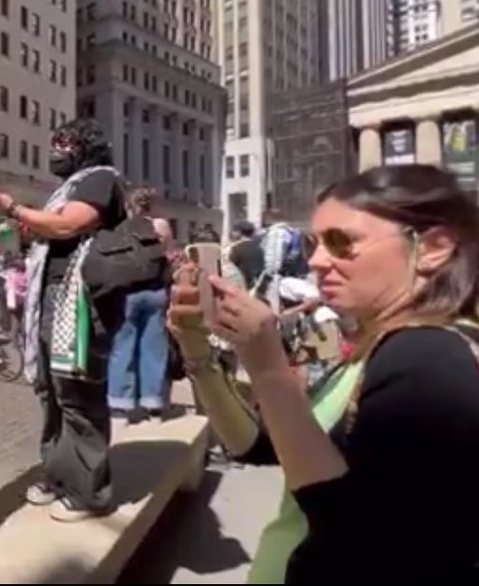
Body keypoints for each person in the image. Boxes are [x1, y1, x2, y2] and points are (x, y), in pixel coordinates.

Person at [168, 164, 479, 582]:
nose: (316, 261)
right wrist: (197, 351)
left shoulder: (427, 357)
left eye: (340, 243)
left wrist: (266, 363)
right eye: (314, 244)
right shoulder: (381, 343)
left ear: (434, 247)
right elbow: (259, 446)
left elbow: (355, 535)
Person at [0, 119, 126, 522]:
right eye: (54, 142)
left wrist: (12, 206)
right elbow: (50, 232)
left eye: (64, 143)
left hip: (78, 301)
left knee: (77, 392)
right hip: (52, 297)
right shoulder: (66, 189)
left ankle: (90, 492)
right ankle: (58, 475)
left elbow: (70, 224)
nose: (55, 150)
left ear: (85, 147)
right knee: (51, 391)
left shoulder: (99, 179)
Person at [106, 188, 172, 419]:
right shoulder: (161, 226)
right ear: (152, 205)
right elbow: (166, 253)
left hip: (128, 291)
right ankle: (152, 400)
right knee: (154, 347)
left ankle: (120, 401)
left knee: (123, 345)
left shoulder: (122, 227)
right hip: (156, 290)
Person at [227, 220, 265, 292]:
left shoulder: (236, 248)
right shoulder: (259, 247)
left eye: (234, 230)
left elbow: (229, 268)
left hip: (241, 286)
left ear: (239, 232)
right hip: (256, 286)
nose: (232, 233)